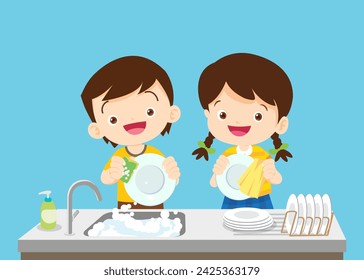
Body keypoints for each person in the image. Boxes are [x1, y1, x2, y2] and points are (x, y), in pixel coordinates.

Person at [192, 53, 293, 209]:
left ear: (280, 124)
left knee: (264, 231)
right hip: (231, 199)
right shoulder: (228, 155)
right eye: (223, 114)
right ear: (208, 115)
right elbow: (213, 183)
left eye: (258, 116)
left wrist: (272, 174)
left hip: (260, 199)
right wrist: (217, 173)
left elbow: (277, 179)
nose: (238, 121)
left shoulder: (262, 155)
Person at [81, 56, 181, 209]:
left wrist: (173, 174)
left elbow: (169, 181)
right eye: (113, 119)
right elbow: (104, 178)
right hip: (125, 205)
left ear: (171, 113)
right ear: (97, 130)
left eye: (149, 111)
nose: (133, 118)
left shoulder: (154, 154)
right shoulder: (119, 156)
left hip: (154, 202)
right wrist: (112, 175)